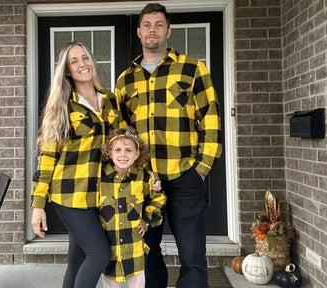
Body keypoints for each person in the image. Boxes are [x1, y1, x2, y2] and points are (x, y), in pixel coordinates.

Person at [114, 3, 222, 288]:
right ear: (139, 32)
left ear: (168, 31)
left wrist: (201, 169)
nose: (153, 30)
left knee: (192, 256)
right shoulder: (125, 80)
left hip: (184, 176)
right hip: (144, 181)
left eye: (159, 25)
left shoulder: (192, 69)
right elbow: (120, 133)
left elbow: (210, 119)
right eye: (147, 25)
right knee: (147, 255)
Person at [30, 42, 126, 288]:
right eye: (74, 61)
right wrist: (38, 205)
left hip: (99, 194)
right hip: (69, 194)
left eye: (85, 58)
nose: (82, 64)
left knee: (78, 258)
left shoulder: (111, 101)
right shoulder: (62, 106)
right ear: (67, 71)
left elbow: (123, 145)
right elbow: (47, 156)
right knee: (99, 255)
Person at [99, 127, 166, 288]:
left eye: (129, 150)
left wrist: (147, 222)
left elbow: (158, 200)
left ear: (136, 154)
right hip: (109, 248)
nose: (123, 154)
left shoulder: (143, 177)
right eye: (118, 150)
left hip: (134, 249)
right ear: (109, 152)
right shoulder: (99, 179)